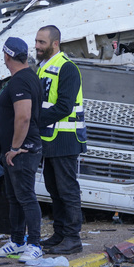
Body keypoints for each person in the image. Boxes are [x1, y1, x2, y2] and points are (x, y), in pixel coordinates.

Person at [0, 37, 45, 262]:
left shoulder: (21, 81)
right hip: (18, 150)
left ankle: (35, 244)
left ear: (6, 56)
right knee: (15, 198)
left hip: (22, 150)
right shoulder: (28, 76)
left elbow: (23, 117)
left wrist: (15, 147)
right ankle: (17, 241)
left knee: (26, 197)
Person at [35, 25, 87, 255]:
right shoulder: (43, 67)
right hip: (50, 138)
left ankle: (73, 238)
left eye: (42, 42)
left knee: (67, 190)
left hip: (66, 139)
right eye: (36, 41)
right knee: (54, 189)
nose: (37, 46)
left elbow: (64, 106)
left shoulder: (67, 68)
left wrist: (34, 121)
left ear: (55, 44)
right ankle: (60, 234)